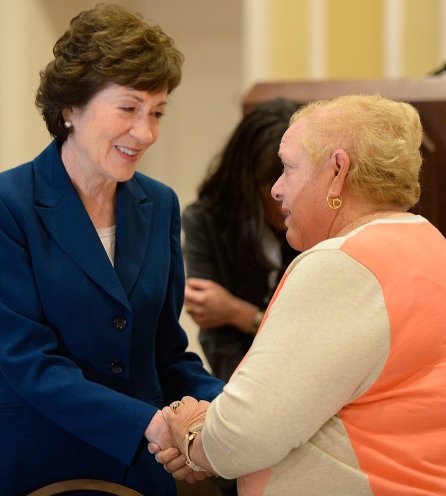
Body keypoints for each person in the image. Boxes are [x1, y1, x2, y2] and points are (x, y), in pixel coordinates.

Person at [0, 4, 223, 496]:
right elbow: (27, 361)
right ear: (71, 108)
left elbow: (166, 352)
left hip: (138, 471)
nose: (145, 133)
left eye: (157, 113)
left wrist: (228, 410)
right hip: (33, 464)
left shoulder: (160, 203)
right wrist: (154, 425)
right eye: (128, 108)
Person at [153, 95, 446, 495]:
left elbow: (244, 434)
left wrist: (192, 432)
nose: (276, 189)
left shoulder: (341, 264)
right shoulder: (428, 241)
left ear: (337, 171)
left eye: (288, 168)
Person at [182, 98, 300, 383]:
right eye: (271, 182)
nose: (284, 195)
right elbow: (219, 345)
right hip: (246, 385)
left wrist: (241, 314)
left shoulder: (318, 220)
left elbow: (317, 334)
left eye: (296, 179)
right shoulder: (206, 222)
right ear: (248, 181)